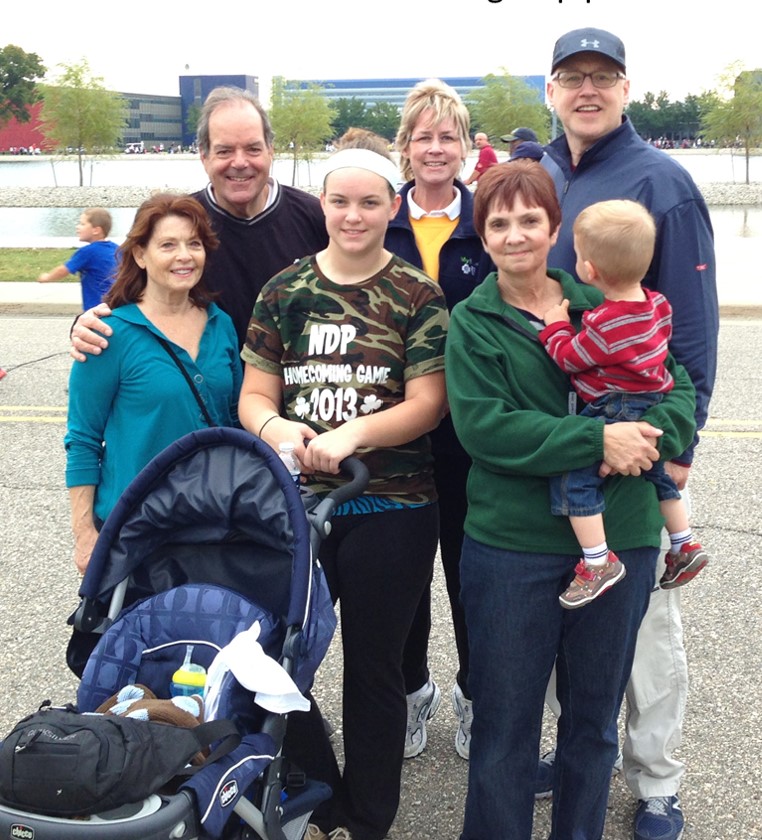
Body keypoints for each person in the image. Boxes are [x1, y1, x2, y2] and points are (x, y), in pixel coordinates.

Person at [445, 160, 696, 840]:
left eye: (531, 219)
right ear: (483, 236)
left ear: (556, 229)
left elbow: (676, 399)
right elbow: (485, 428)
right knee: (505, 723)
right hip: (512, 545)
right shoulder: (473, 323)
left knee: (593, 719)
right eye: (499, 223)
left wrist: (641, 436)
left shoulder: (610, 297)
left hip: (624, 537)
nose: (516, 234)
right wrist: (597, 439)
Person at [237, 148, 449, 840]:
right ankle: (316, 784)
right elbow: (255, 393)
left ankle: (365, 815)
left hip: (393, 506)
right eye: (340, 201)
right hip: (300, 507)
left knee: (374, 668)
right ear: (321, 206)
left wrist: (354, 434)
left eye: (369, 202)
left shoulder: (418, 295)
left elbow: (428, 404)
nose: (353, 215)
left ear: (393, 208)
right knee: (272, 657)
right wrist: (276, 426)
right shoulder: (285, 290)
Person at [539, 28, 719, 840]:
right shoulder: (540, 177)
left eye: (602, 77)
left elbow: (690, 337)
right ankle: (586, 751)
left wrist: (675, 449)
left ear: (625, 88)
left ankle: (656, 783)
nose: (587, 89)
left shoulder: (663, 182)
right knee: (581, 603)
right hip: (571, 434)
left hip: (642, 439)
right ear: (550, 89)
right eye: (572, 76)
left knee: (647, 628)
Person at [386, 78, 493, 761]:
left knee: (469, 570)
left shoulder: (490, 219)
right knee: (399, 575)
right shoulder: (374, 216)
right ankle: (411, 688)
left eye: (447, 135)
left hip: (471, 433)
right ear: (405, 147)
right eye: (422, 135)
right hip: (393, 429)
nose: (435, 147)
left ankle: (474, 690)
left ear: (464, 146)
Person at [69, 87, 328, 357]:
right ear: (204, 156)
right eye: (224, 151)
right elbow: (120, 304)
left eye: (253, 149)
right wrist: (85, 327)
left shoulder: (317, 219)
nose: (240, 162)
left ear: (270, 151)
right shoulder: (176, 225)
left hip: (298, 394)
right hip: (207, 392)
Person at [539, 199, 709, 609]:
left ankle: (597, 561)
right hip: (657, 396)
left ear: (589, 270)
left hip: (618, 406)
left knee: (575, 480)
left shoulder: (604, 321)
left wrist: (556, 326)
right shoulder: (657, 304)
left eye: (579, 256)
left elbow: (570, 357)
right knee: (658, 475)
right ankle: (684, 543)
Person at [64, 194, 241, 575]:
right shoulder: (108, 334)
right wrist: (85, 534)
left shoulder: (220, 324)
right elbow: (82, 439)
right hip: (135, 529)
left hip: (213, 527)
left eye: (194, 244)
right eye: (168, 245)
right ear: (141, 255)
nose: (184, 256)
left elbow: (234, 422)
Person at [38, 208, 119, 311]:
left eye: (82, 224)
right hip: (118, 306)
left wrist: (47, 277)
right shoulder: (117, 249)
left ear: (96, 230)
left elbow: (64, 270)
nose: (77, 227)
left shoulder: (88, 252)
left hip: (97, 309)